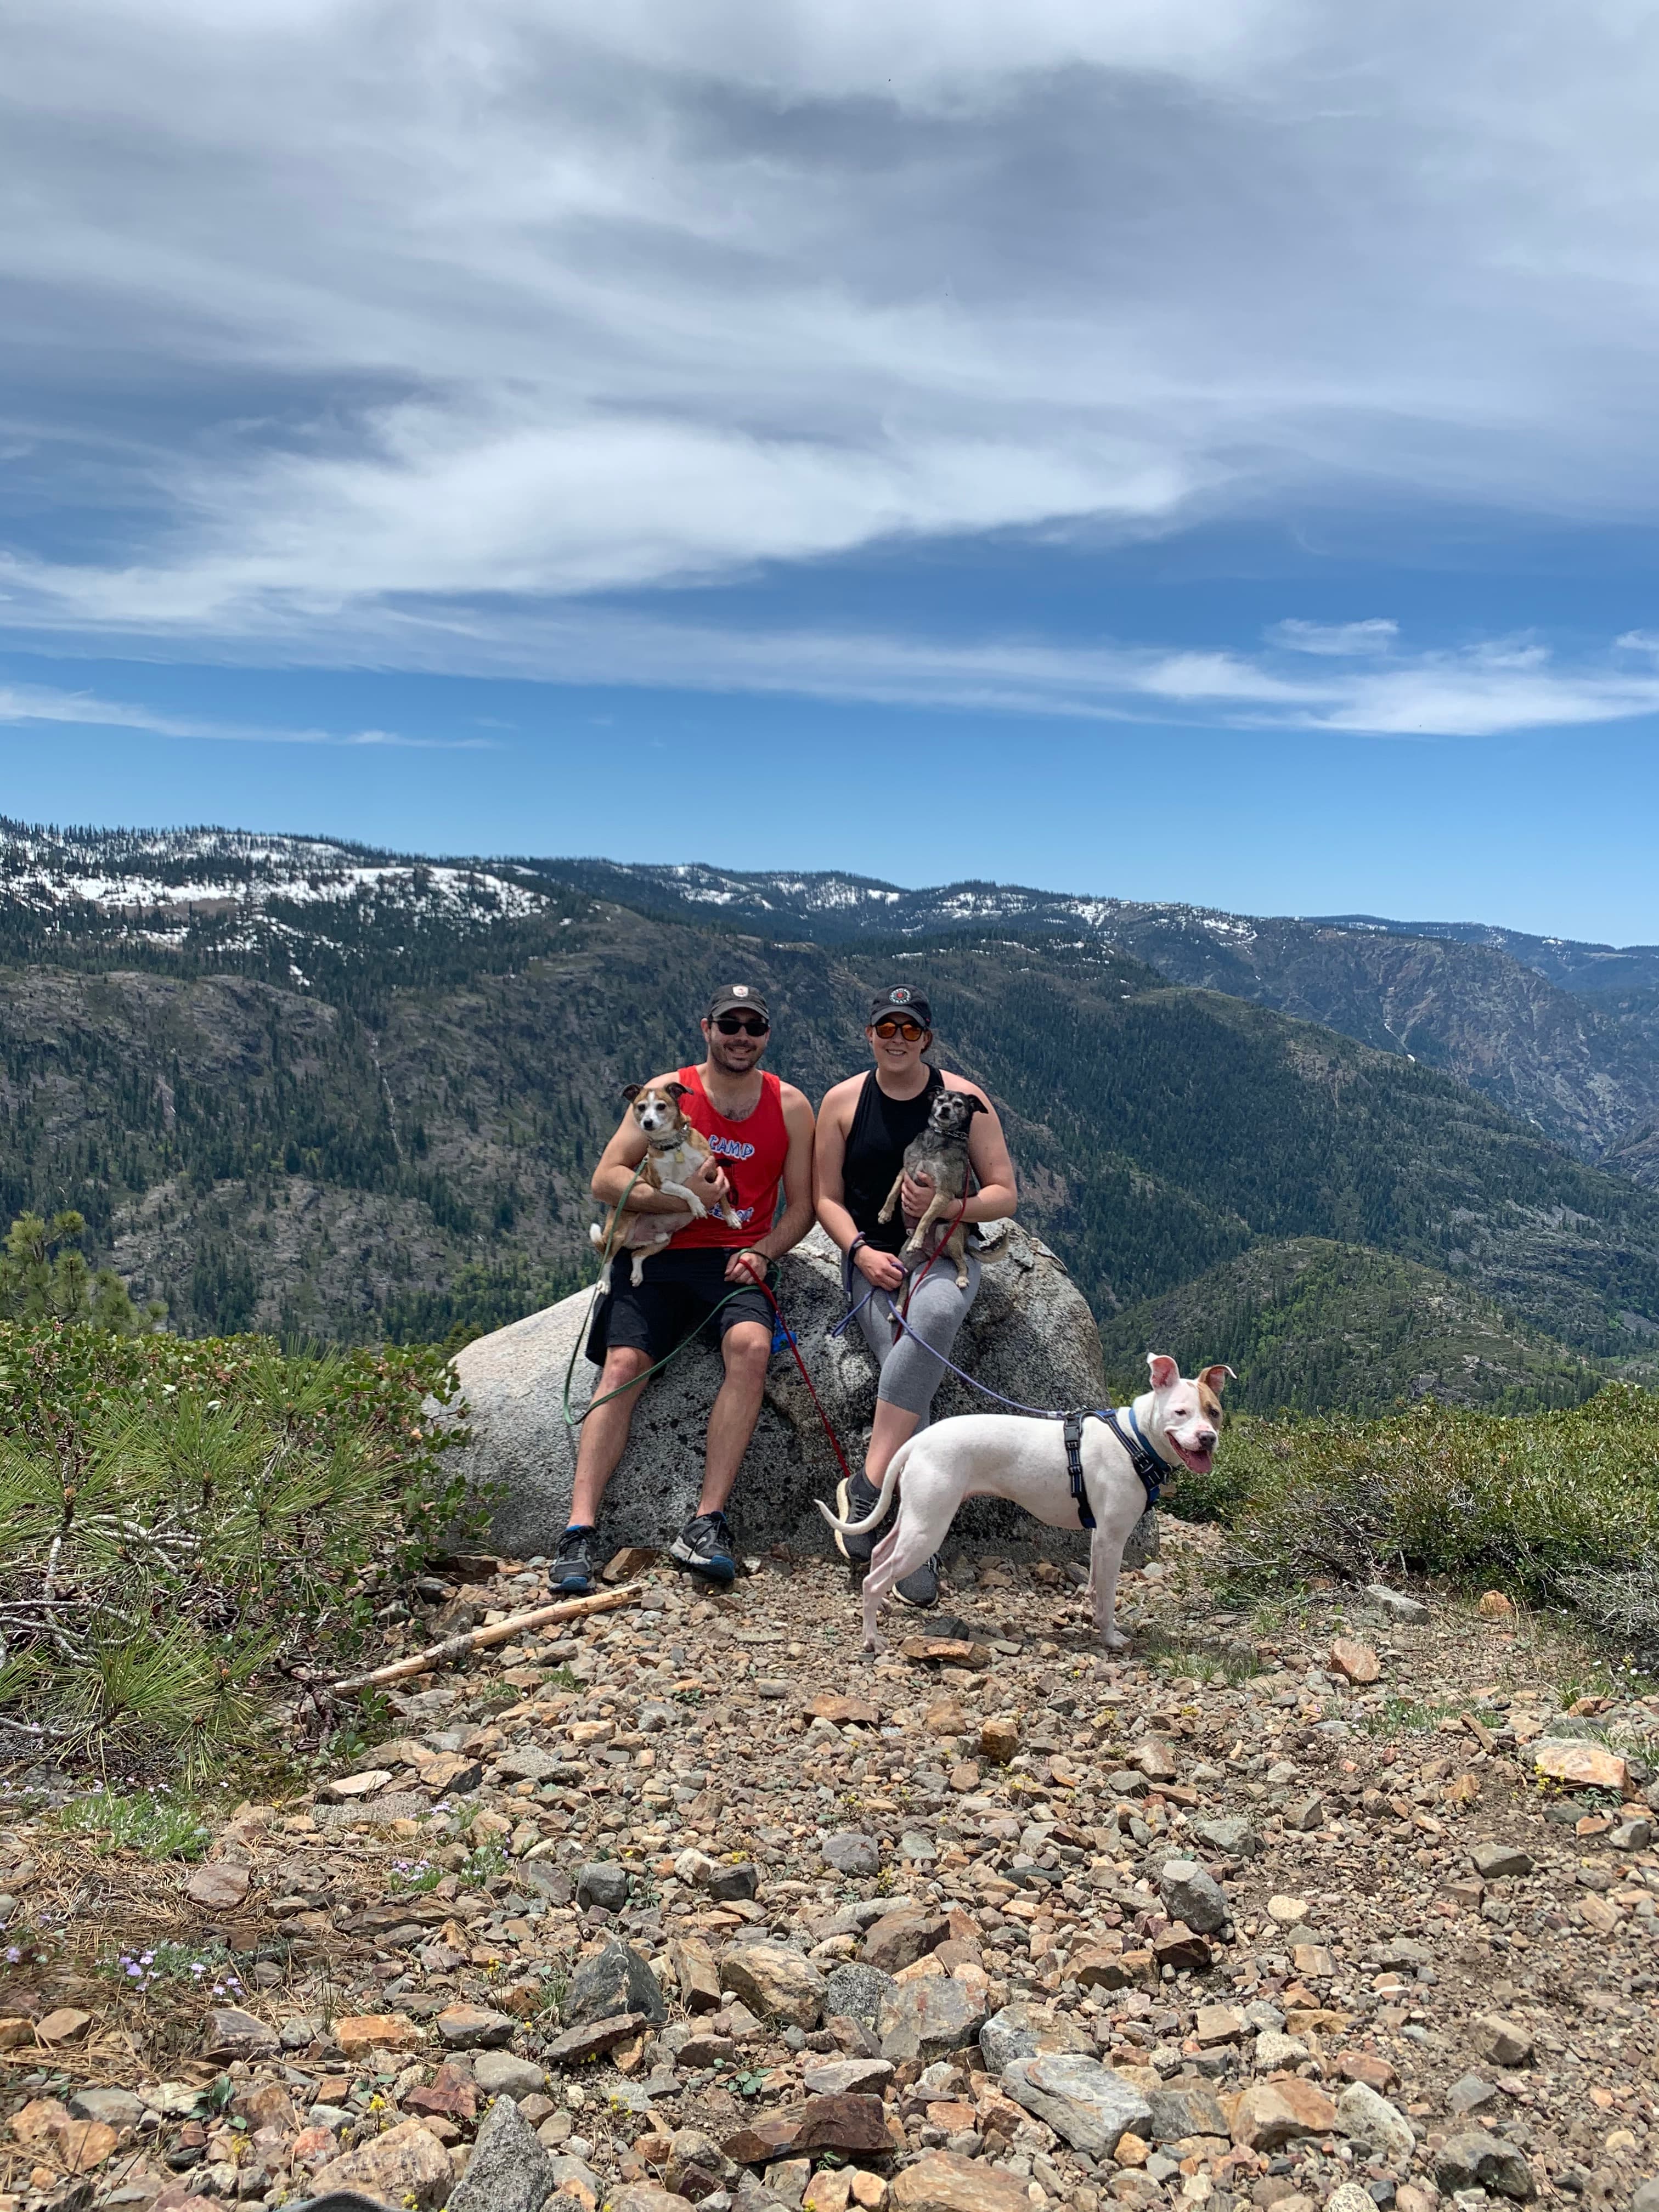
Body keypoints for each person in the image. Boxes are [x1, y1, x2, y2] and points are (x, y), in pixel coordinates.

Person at [556, 983, 816, 1593]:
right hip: (661, 1253)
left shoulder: (791, 1105)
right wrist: (683, 1200)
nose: (741, 1036)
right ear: (707, 1028)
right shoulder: (668, 1091)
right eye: (731, 1023)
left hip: (737, 1257)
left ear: (767, 1036)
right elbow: (606, 1177)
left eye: (754, 1026)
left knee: (751, 1350)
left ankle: (707, 1521)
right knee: (622, 1364)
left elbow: (802, 1207)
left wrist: (763, 1251)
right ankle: (578, 1529)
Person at [814, 985, 1018, 1607]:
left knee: (932, 1318)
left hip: (941, 1251)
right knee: (915, 1370)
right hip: (873, 1257)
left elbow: (1005, 1194)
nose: (896, 1039)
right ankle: (912, 1546)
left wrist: (952, 1207)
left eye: (910, 1030)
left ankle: (871, 1485)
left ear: (926, 1038)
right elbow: (825, 1198)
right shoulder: (844, 1102)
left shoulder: (965, 1098)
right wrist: (859, 1253)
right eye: (886, 1029)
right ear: (869, 1033)